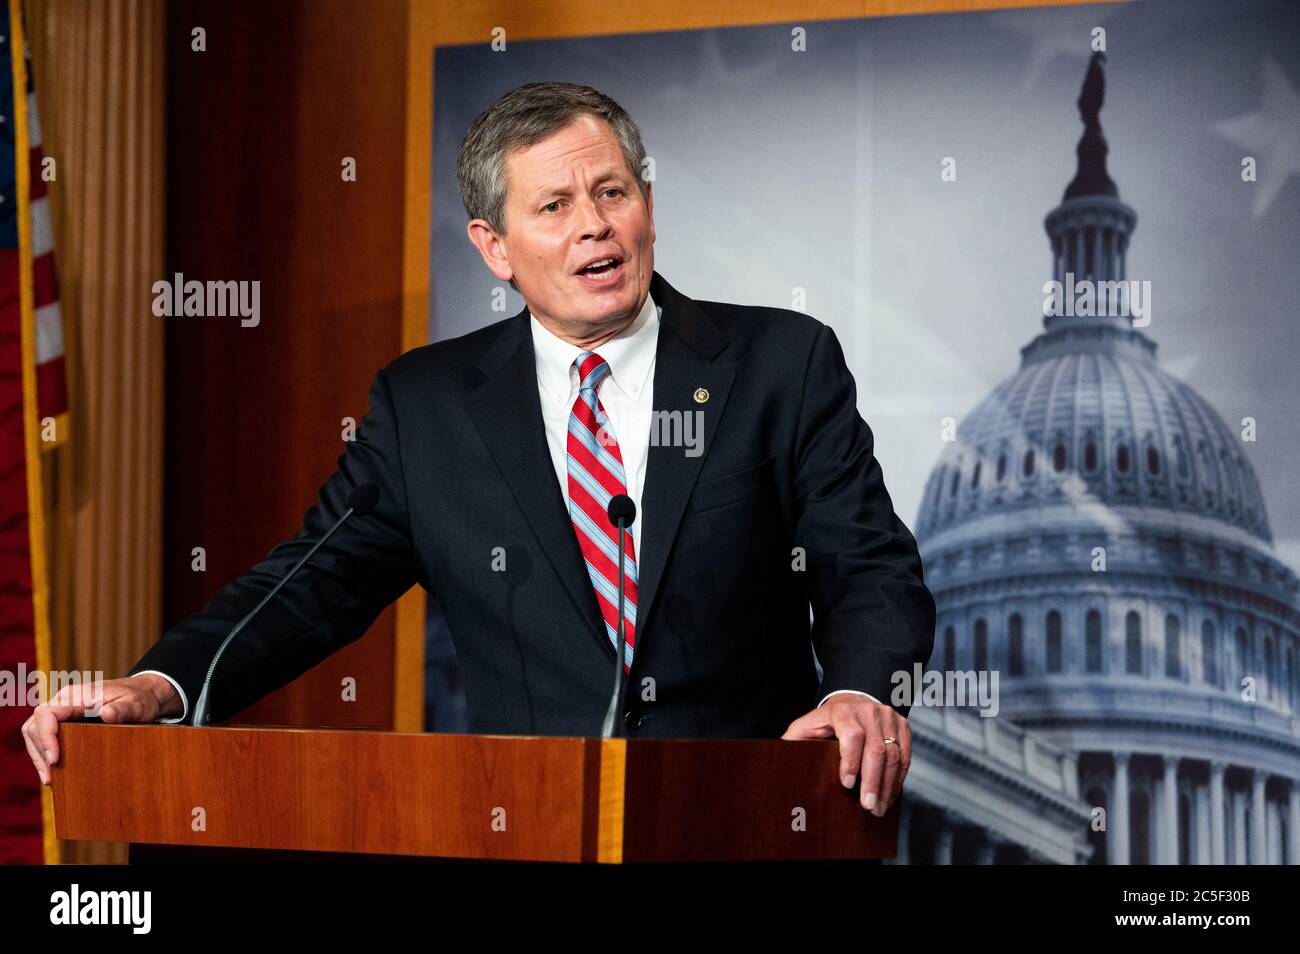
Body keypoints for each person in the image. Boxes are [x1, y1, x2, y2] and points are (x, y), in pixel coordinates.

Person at [22, 81, 935, 820]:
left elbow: (869, 564)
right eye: (555, 206)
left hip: (750, 821)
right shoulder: (427, 409)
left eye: (613, 192)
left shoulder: (780, 362)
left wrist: (860, 693)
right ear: (494, 248)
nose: (595, 225)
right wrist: (163, 684)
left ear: (648, 204)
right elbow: (310, 583)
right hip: (526, 828)